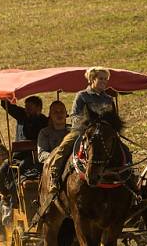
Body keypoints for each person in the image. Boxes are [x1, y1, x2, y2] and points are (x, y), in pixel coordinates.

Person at [43, 67, 116, 203]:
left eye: (106, 79)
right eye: (101, 78)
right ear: (92, 79)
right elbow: (75, 115)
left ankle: (129, 177)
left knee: (123, 149)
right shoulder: (82, 96)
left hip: (103, 134)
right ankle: (54, 177)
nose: (104, 82)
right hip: (82, 132)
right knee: (64, 147)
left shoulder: (108, 99)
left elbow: (114, 119)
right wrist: (89, 126)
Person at [1, 95, 48, 166]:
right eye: (26, 107)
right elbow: (6, 104)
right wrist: (6, 93)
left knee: (24, 164)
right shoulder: (22, 114)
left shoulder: (44, 122)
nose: (26, 110)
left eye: (29, 108)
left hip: (34, 158)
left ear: (38, 108)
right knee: (5, 164)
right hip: (18, 156)